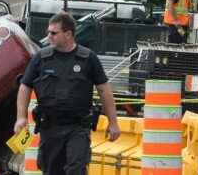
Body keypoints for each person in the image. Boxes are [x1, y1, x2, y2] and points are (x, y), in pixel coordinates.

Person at [14, 12, 120, 175]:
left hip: (78, 127)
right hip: (50, 128)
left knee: (75, 169)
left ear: (69, 34)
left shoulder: (88, 58)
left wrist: (113, 122)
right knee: (51, 171)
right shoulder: (41, 58)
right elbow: (25, 87)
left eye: (54, 33)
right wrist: (21, 117)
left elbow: (104, 89)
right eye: (48, 32)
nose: (49, 36)